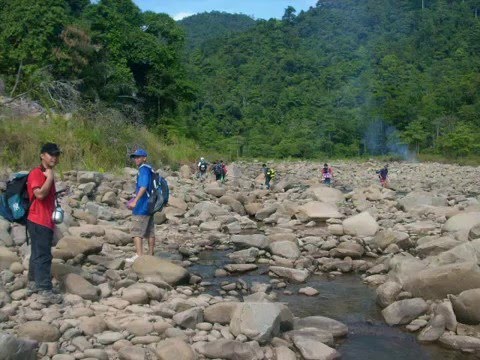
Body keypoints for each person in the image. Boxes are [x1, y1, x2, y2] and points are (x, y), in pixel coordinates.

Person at [27, 142, 62, 304]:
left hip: (43, 219)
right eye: (50, 154)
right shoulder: (36, 173)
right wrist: (50, 178)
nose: (54, 157)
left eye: (56, 154)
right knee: (43, 255)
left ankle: (33, 282)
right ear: (42, 155)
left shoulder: (46, 172)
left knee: (36, 253)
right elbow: (39, 194)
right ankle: (45, 289)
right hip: (38, 219)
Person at [126, 149, 155, 262]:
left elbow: (143, 186)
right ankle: (151, 255)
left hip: (142, 206)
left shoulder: (143, 170)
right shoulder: (150, 169)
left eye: (139, 157)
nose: (136, 159)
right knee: (150, 231)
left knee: (136, 231)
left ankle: (139, 255)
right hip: (151, 204)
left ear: (144, 158)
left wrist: (135, 201)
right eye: (135, 157)